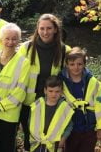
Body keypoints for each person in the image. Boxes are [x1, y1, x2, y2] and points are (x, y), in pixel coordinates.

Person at [17, 13, 71, 151]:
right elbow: (15, 73)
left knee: (51, 137)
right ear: (37, 29)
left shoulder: (65, 50)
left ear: (55, 29)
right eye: (42, 28)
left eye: (48, 28)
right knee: (31, 137)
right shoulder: (26, 48)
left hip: (52, 102)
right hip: (29, 102)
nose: (45, 32)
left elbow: (74, 75)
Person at [0, 23, 31, 151]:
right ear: (0, 40)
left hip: (8, 116)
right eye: (7, 38)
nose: (10, 42)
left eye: (14, 39)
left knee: (6, 148)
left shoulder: (23, 63)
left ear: (19, 41)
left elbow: (20, 93)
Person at [59, 47, 101, 152]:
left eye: (79, 64)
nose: (76, 68)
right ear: (67, 65)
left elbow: (100, 107)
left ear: (84, 64)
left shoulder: (93, 83)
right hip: (69, 129)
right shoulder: (60, 83)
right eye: (72, 64)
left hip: (89, 128)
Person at [29, 76, 74, 152]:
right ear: (45, 91)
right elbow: (30, 121)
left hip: (55, 145)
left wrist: (63, 139)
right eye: (51, 91)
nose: (54, 94)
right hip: (37, 143)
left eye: (57, 91)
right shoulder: (37, 104)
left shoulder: (65, 107)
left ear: (61, 92)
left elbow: (69, 126)